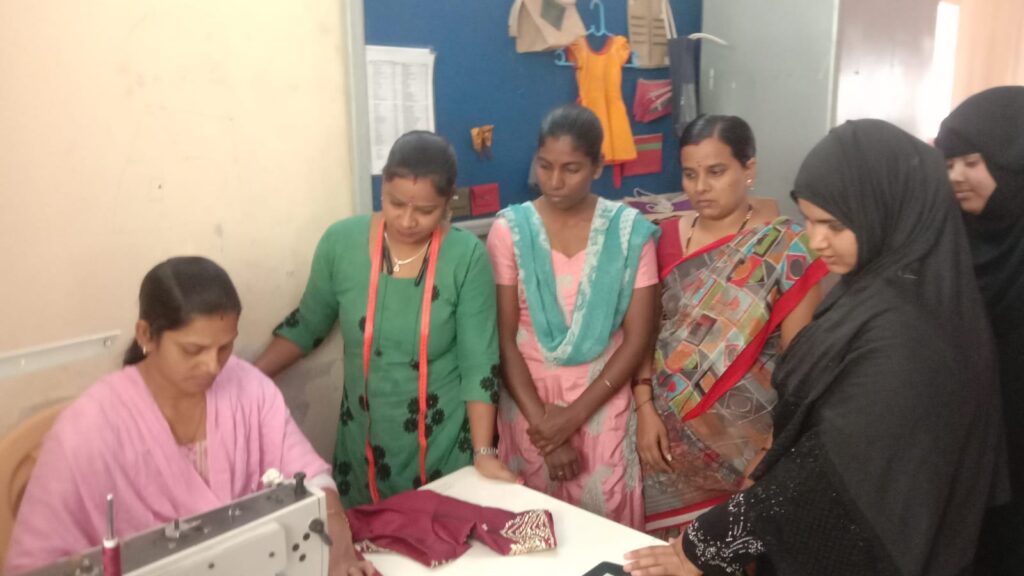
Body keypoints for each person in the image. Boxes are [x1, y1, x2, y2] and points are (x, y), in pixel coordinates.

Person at [624, 119, 1003, 575]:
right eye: (809, 219)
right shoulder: (871, 292)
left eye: (834, 224)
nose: (815, 240)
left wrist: (707, 543)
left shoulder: (907, 333)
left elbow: (831, 471)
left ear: (886, 211)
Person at [5, 257, 373, 576]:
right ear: (146, 334)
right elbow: (36, 563)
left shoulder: (248, 387)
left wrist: (338, 544)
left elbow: (312, 476)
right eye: (192, 350)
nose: (212, 366)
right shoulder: (87, 428)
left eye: (225, 347)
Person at [255, 131, 516, 508]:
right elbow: (307, 325)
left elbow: (480, 363)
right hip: (363, 449)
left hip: (444, 448)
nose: (408, 220)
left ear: (447, 203)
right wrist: (247, 379)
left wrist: (483, 452)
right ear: (382, 190)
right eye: (396, 203)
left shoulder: (467, 257)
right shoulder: (340, 243)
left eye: (425, 210)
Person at [636, 115, 825, 533]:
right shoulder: (659, 238)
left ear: (749, 170)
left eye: (716, 172)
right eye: (690, 174)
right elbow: (642, 337)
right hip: (661, 439)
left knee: (723, 553)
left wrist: (771, 451)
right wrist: (643, 408)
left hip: (746, 443)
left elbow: (799, 368)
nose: (700, 187)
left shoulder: (788, 248)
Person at [486, 104, 659, 530]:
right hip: (529, 404)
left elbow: (638, 338)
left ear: (598, 165)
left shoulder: (630, 233)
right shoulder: (510, 230)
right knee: (530, 532)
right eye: (545, 166)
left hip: (602, 401)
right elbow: (504, 338)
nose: (555, 181)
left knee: (606, 532)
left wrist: (574, 416)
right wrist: (546, 428)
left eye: (571, 168)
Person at [936, 85, 1024, 575]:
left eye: (972, 161)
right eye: (948, 163)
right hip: (967, 455)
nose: (957, 176)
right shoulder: (948, 242)